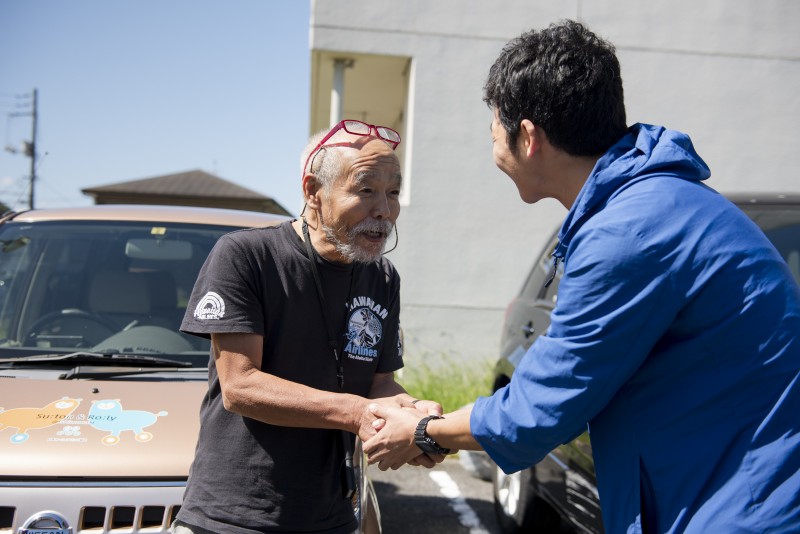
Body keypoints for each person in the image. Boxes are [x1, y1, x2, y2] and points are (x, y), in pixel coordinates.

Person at [364, 20, 800, 533]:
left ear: (529, 137)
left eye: (495, 127)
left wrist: (424, 430)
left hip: (739, 506)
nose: (493, 142)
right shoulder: (653, 202)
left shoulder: (630, 230)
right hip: (721, 483)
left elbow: (540, 407)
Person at [172, 119, 442, 534]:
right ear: (313, 191)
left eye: (393, 192)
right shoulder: (246, 256)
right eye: (365, 190)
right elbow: (240, 386)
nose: (384, 211)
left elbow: (380, 383)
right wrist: (357, 413)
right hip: (234, 518)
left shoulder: (383, 277)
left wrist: (416, 416)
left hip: (334, 514)